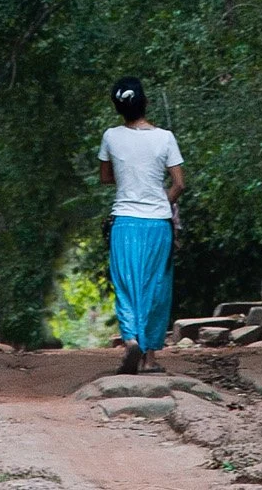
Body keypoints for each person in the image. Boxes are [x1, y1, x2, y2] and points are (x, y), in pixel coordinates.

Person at [98, 77, 184, 372]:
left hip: (124, 223)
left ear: (117, 108)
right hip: (158, 224)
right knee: (156, 286)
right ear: (145, 102)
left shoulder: (111, 136)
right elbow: (179, 183)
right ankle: (149, 360)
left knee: (126, 285)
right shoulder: (166, 137)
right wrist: (164, 201)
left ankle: (131, 340)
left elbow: (106, 177)